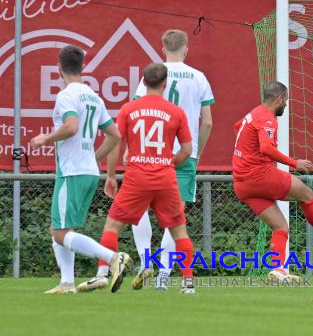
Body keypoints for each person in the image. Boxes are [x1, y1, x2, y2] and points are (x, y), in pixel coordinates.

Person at [77, 63, 196, 294]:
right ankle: (188, 284)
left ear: (143, 82)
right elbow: (187, 149)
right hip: (165, 178)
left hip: (136, 177)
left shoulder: (128, 109)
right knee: (179, 232)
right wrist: (168, 163)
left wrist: (111, 175)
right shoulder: (176, 111)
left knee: (112, 226)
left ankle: (102, 273)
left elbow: (115, 141)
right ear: (165, 83)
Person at [30, 45, 128, 294]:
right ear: (83, 67)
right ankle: (66, 283)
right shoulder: (93, 96)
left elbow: (71, 127)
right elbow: (114, 134)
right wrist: (95, 158)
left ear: (59, 68)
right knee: (64, 229)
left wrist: (45, 139)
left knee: (59, 231)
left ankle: (113, 258)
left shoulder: (66, 95)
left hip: (72, 170)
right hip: (87, 171)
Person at [130, 29, 215, 290]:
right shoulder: (199, 77)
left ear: (162, 47)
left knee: (137, 208)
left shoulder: (151, 75)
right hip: (183, 153)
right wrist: (196, 152)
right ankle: (164, 273)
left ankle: (146, 259)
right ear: (186, 49)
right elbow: (208, 122)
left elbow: (136, 112)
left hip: (150, 151)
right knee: (174, 215)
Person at [232, 81, 313, 282]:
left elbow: (237, 127)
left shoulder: (254, 113)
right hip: (258, 176)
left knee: (281, 227)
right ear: (279, 99)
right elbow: (266, 148)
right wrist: (295, 163)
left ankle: (279, 270)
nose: (286, 106)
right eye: (286, 102)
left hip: (241, 184)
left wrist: (246, 153)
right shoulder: (267, 118)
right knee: (307, 194)